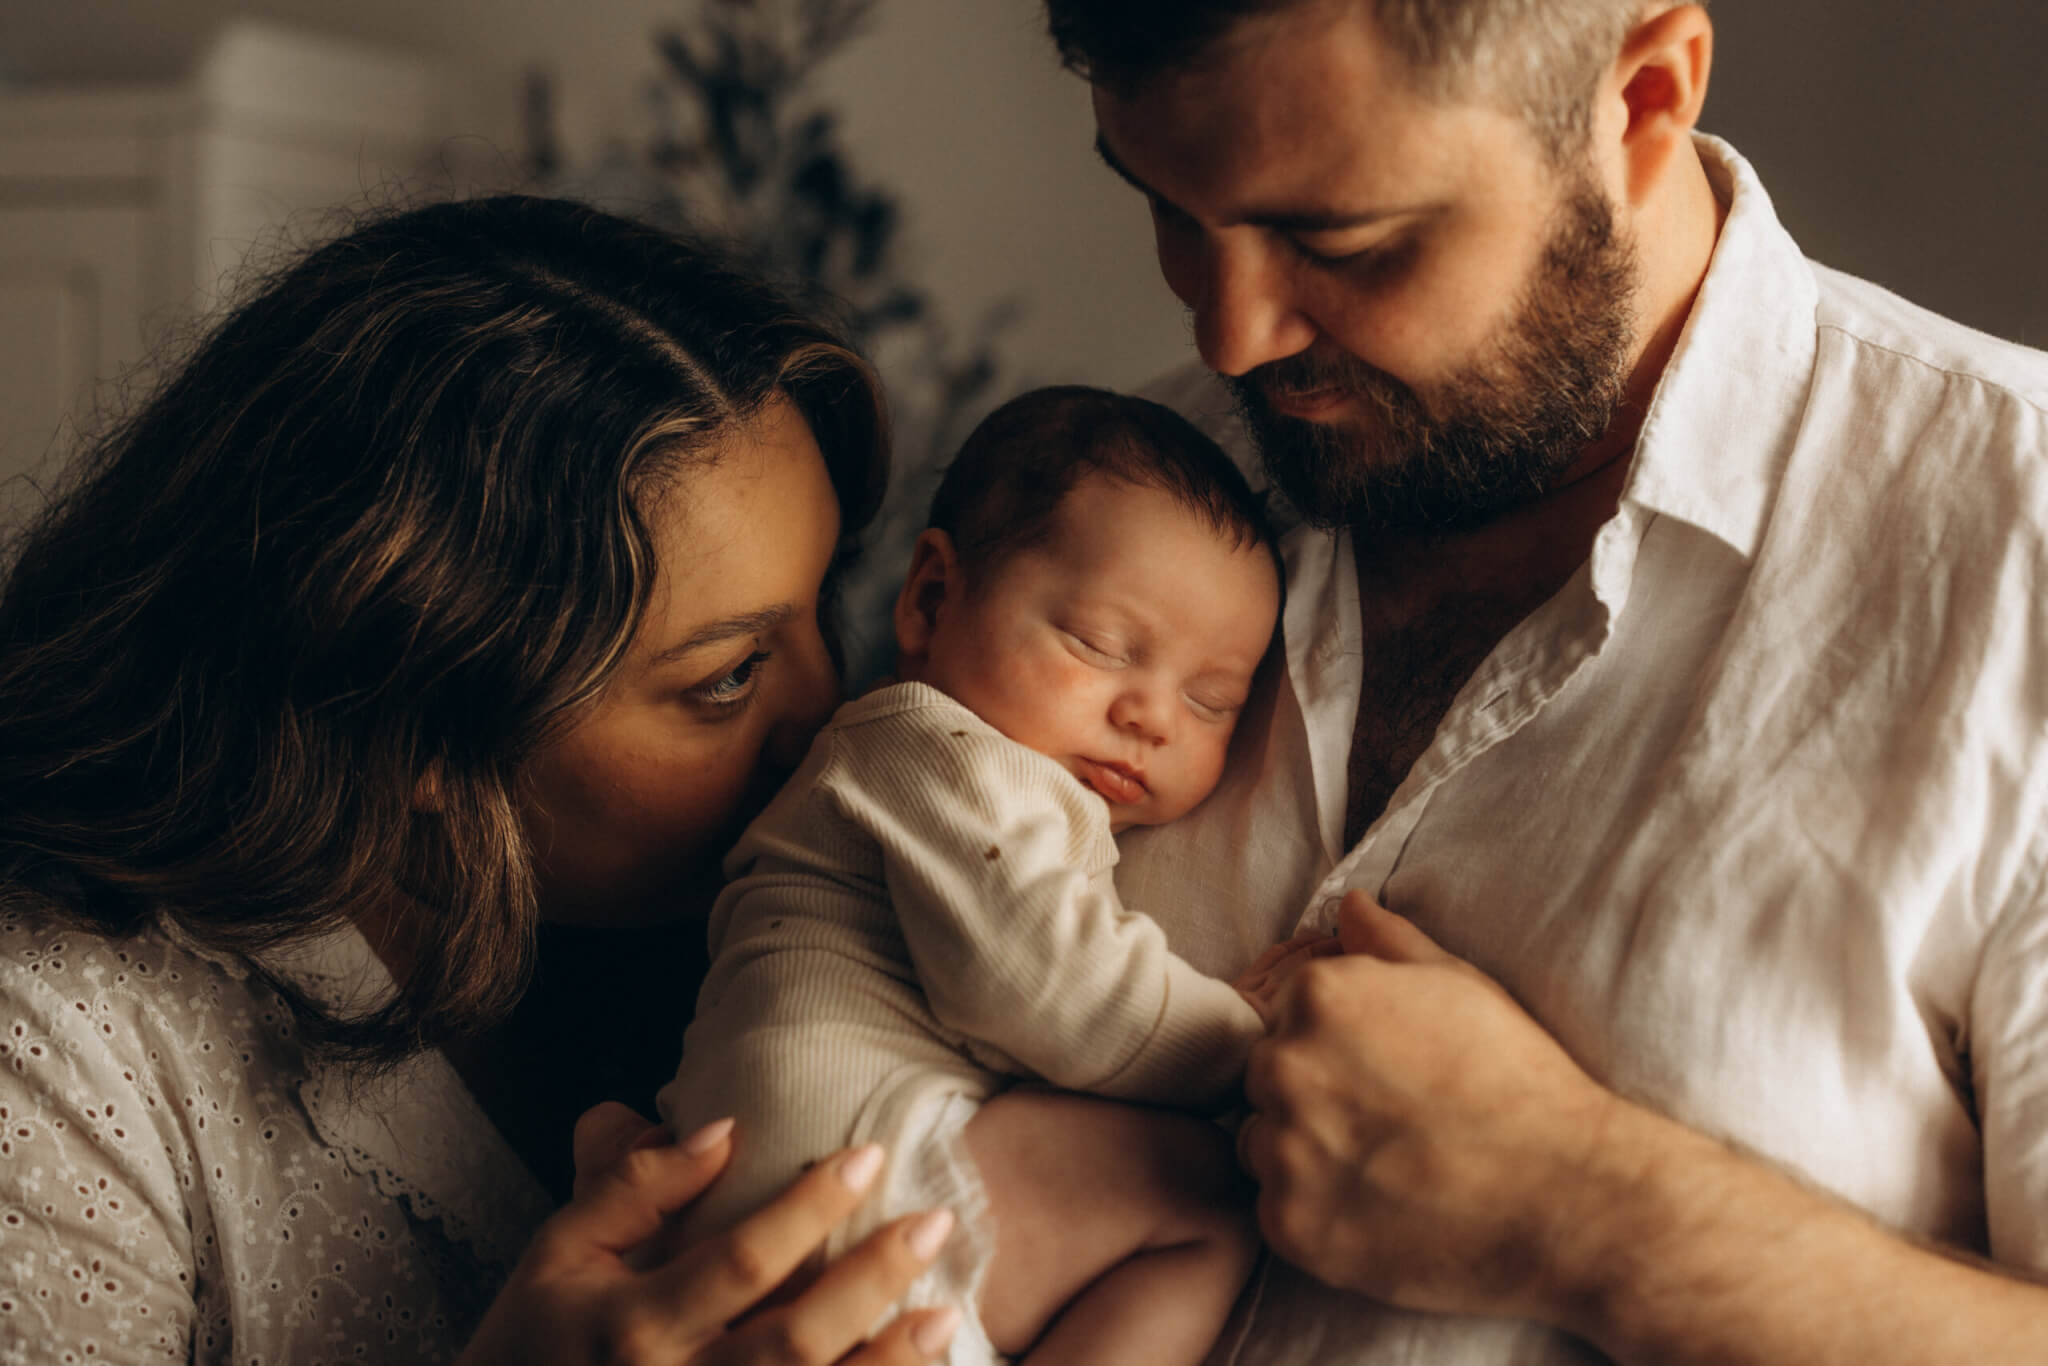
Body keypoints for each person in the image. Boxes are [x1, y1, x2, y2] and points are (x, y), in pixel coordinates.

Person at [1017, 1, 2048, 1364]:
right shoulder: (1092, 505)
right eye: (1168, 211)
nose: (1234, 337)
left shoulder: (2016, 551)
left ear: (1641, 99)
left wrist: (1589, 1213)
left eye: (1345, 243)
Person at [0, 195, 967, 1365]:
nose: (835, 720)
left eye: (826, 609)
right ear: (407, 719)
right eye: (729, 673)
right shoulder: (56, 1054)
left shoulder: (756, 948)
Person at [661, 385, 1329, 1365]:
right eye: (1099, 647)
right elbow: (1046, 986)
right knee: (1203, 1200)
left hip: (821, 1192)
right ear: (932, 598)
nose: (1150, 715)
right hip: (846, 1177)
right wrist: (1251, 1038)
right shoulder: (928, 747)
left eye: (1211, 699)